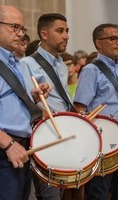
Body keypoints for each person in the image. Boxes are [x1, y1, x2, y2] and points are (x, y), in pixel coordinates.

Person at [73, 23, 118, 200]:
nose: (117, 42)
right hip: (103, 140)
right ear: (98, 43)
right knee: (99, 191)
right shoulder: (91, 70)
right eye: (112, 38)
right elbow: (80, 109)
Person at [0, 5, 51, 200]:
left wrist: (32, 98)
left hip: (20, 148)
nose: (21, 34)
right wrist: (8, 144)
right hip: (6, 149)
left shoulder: (12, 62)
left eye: (22, 29)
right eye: (14, 27)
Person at [20, 13, 72, 200]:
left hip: (63, 132)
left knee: (61, 191)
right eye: (60, 31)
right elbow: (25, 103)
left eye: (67, 31)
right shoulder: (27, 64)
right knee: (49, 195)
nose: (66, 35)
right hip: (45, 135)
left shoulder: (62, 65)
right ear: (44, 34)